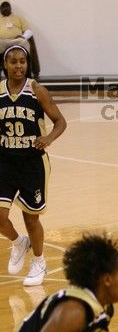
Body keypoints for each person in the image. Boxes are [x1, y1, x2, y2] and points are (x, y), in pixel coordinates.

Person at [0, 45, 66, 286]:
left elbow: (60, 121)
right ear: (5, 65)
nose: (18, 66)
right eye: (13, 62)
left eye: (22, 62)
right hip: (4, 161)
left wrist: (48, 138)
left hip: (31, 163)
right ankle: (19, 243)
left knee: (31, 219)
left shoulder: (36, 90)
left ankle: (39, 261)